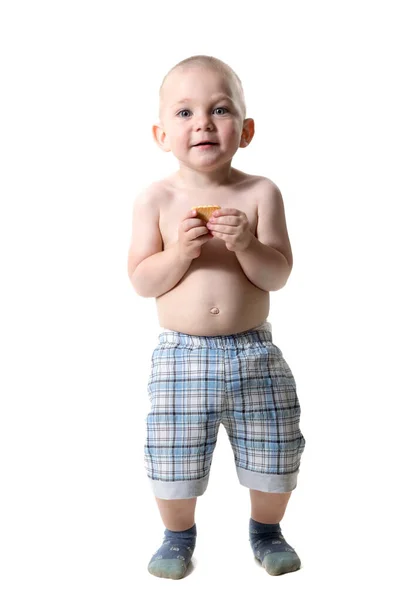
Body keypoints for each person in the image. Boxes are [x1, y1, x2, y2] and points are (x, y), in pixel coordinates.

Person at [127, 55, 306, 580]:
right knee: (173, 453)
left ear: (245, 130)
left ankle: (267, 531)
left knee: (275, 446)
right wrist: (178, 254)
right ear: (161, 134)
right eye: (184, 113)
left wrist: (248, 243)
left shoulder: (259, 193)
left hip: (253, 351)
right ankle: (177, 536)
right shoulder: (156, 199)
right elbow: (141, 281)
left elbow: (277, 275)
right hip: (182, 355)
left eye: (220, 109)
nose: (203, 122)